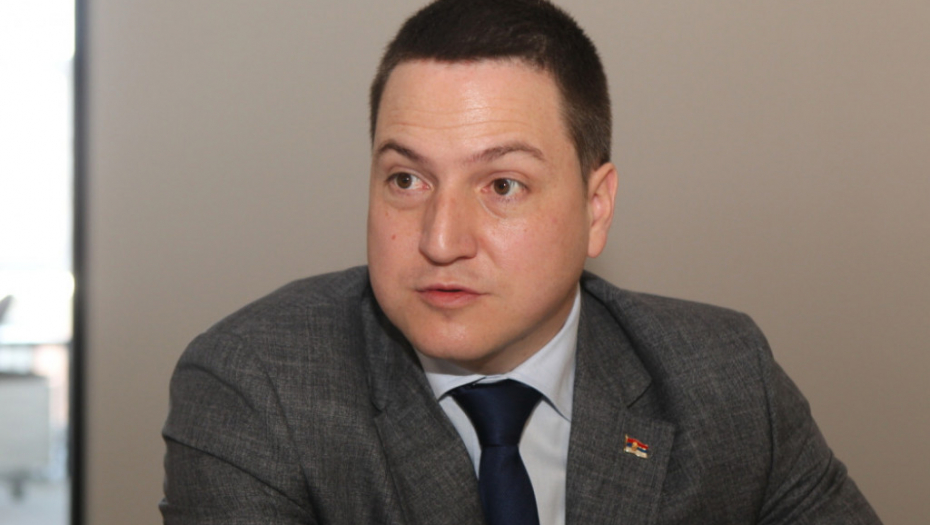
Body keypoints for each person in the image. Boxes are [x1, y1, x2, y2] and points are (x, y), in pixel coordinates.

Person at [160, 0, 881, 523]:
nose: (442, 239)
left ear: (596, 208)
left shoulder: (725, 379)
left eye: (503, 185)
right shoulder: (257, 389)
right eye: (406, 179)